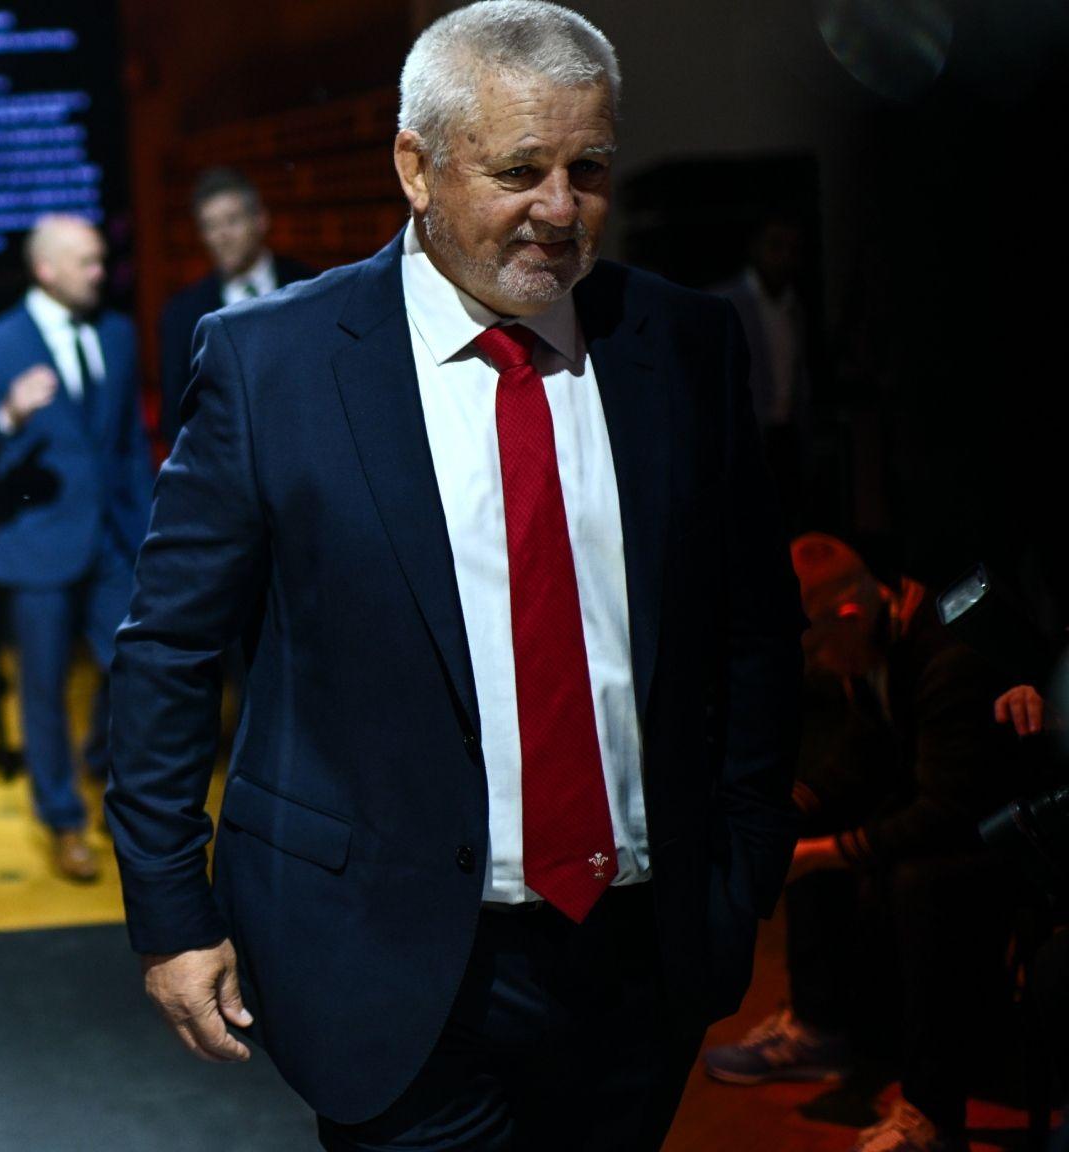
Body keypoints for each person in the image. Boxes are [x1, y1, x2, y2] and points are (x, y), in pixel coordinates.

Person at [106, 3, 804, 1148]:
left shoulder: (678, 346)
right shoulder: (271, 364)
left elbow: (752, 633)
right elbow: (169, 650)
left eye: (589, 168)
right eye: (520, 170)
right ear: (414, 168)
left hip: (641, 954)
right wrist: (170, 913)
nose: (560, 209)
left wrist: (741, 872)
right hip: (383, 960)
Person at [703, 533, 1020, 1152]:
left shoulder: (945, 652)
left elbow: (948, 812)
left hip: (1003, 842)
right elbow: (864, 759)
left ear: (846, 617)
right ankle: (820, 1031)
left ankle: (933, 1115)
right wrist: (790, 812)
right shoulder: (880, 639)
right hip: (949, 823)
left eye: (814, 645)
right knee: (799, 837)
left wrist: (819, 853)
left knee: (918, 881)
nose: (815, 662)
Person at [0, 214, 153, 883]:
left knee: (133, 667)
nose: (101, 273)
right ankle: (63, 818)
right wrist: (9, 413)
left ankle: (101, 771)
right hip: (38, 543)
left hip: (114, 541)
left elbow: (126, 447)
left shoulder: (117, 334)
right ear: (47, 270)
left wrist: (150, 526)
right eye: (87, 263)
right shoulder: (0, 343)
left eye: (100, 260)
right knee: (42, 687)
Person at [156, 169, 316, 452]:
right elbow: (176, 418)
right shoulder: (182, 315)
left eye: (232, 220)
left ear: (260, 220)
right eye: (209, 225)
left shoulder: (310, 287)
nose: (222, 236)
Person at [712, 213, 811, 527]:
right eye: (775, 246)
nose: (784, 258)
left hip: (786, 433)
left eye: (792, 249)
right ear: (756, 248)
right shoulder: (725, 303)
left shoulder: (794, 306)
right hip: (744, 436)